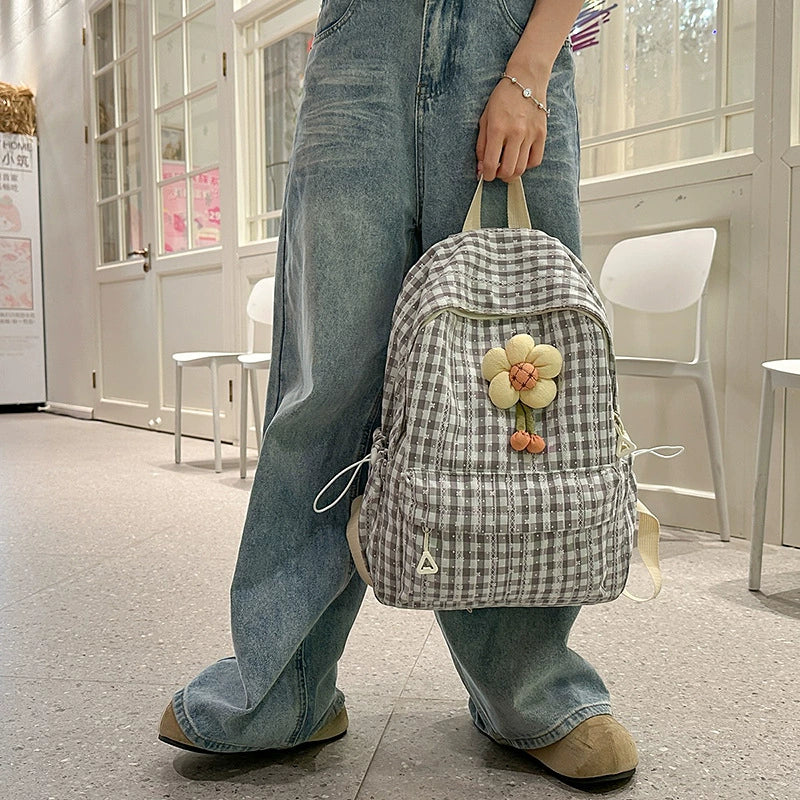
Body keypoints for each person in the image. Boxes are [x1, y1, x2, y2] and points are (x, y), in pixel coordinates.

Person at [158, 0, 639, 789]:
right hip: (360, 43)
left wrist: (530, 68)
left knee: (516, 389)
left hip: (512, 36)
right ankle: (286, 686)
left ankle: (529, 688)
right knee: (323, 391)